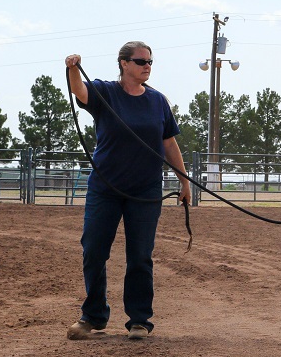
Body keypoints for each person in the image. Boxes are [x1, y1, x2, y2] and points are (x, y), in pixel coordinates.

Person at [64, 41, 191, 341]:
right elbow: (79, 90)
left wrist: (184, 181)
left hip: (145, 191)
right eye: (140, 61)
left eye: (149, 61)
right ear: (123, 63)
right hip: (105, 188)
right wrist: (71, 68)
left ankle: (139, 319)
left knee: (140, 255)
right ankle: (93, 316)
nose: (147, 66)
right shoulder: (105, 93)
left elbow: (168, 143)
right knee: (94, 250)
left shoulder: (158, 101)